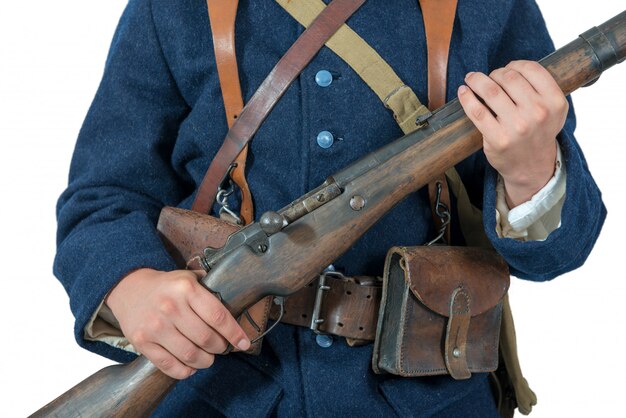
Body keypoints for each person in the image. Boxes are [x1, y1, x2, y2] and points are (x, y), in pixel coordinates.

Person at [54, 0, 605, 416]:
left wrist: (532, 170)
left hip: (432, 397)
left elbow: (559, 251)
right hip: (218, 393)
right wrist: (132, 287)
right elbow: (102, 197)